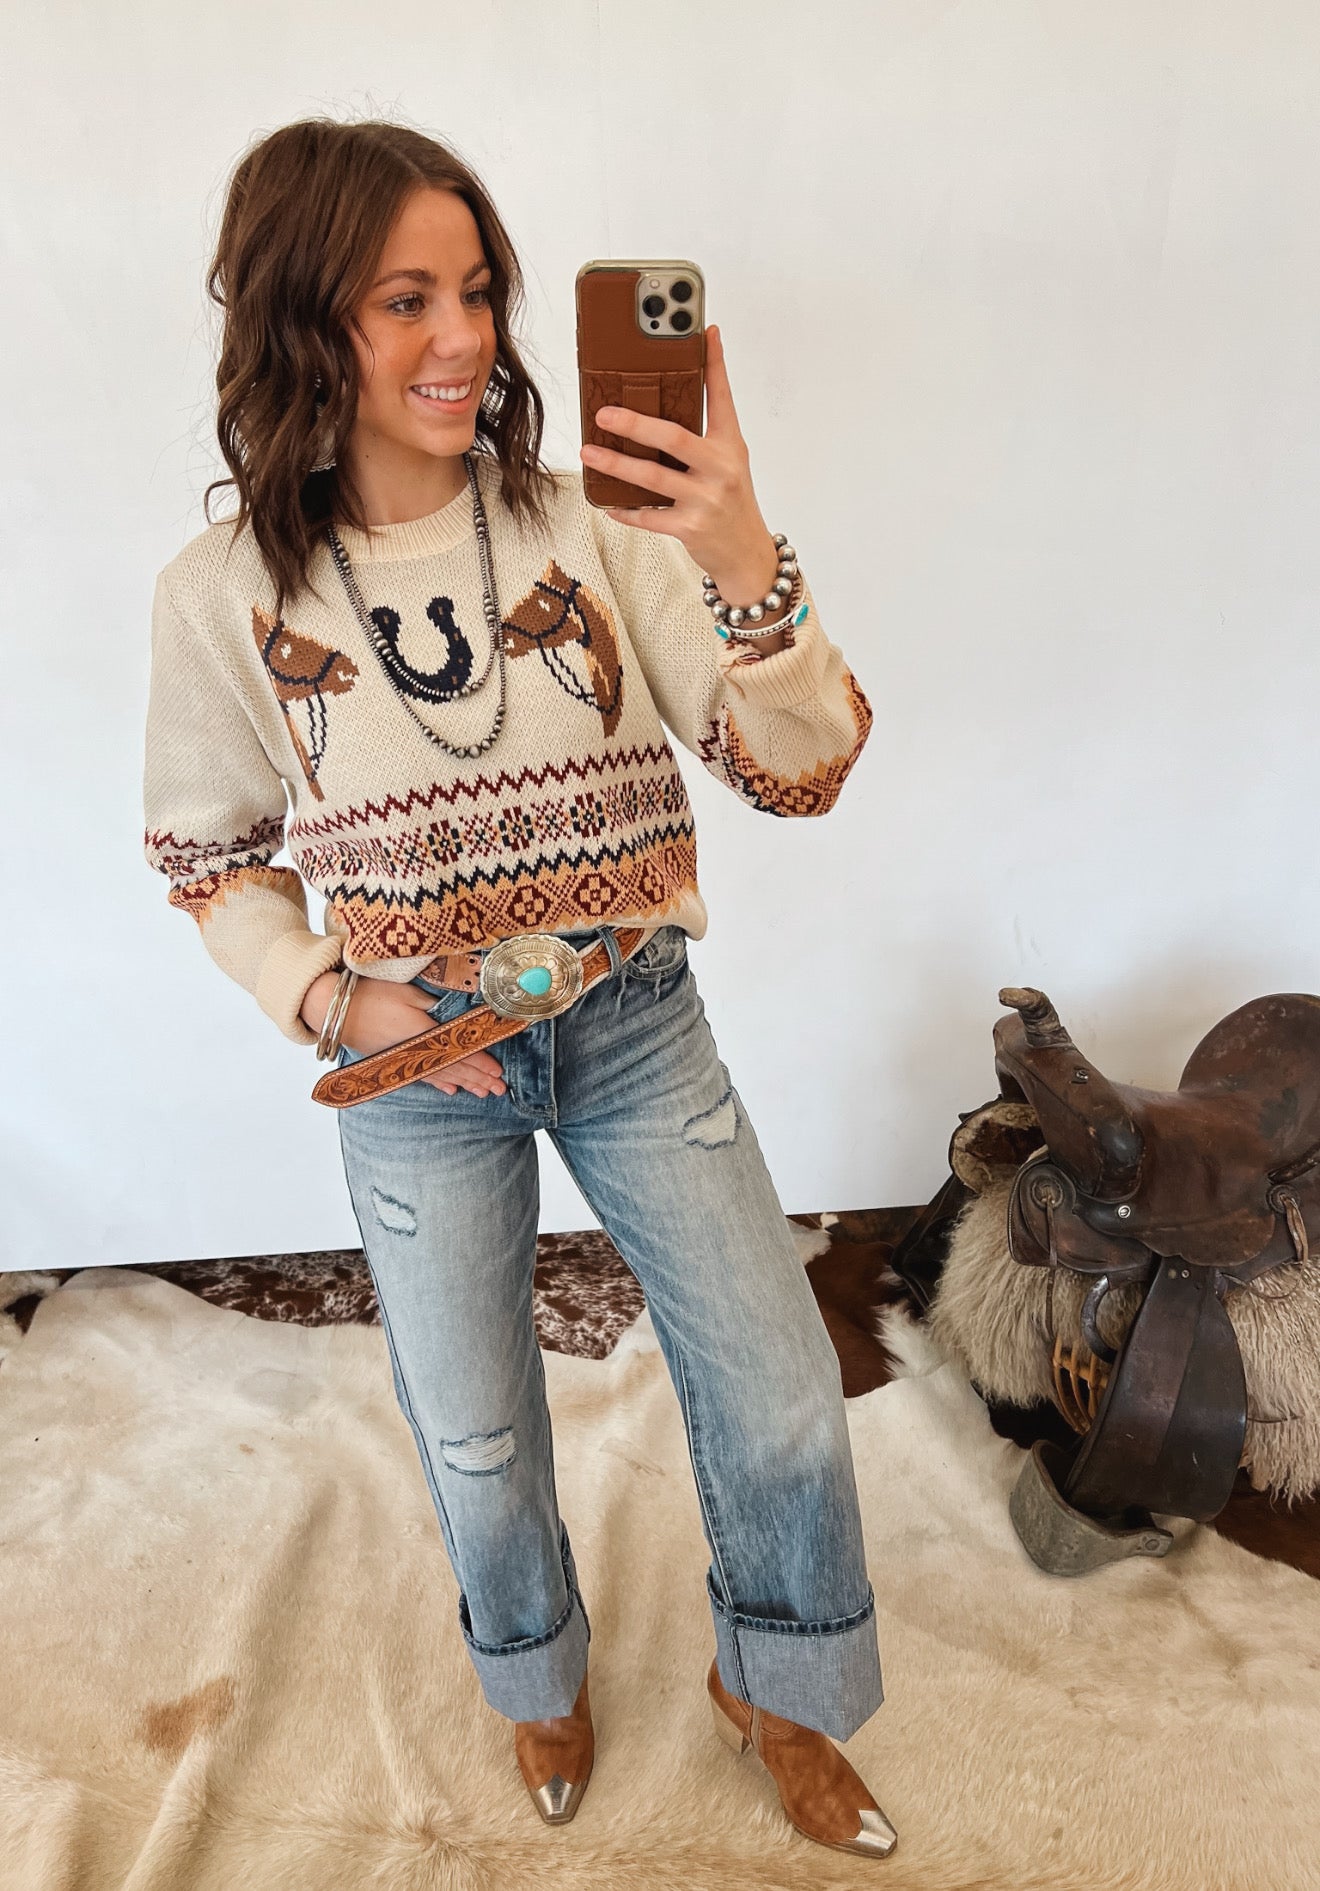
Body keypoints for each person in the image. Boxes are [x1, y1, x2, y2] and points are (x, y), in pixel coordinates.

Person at [142, 116, 896, 1859]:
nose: (465, 337)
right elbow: (203, 855)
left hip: (634, 1026)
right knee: (477, 1438)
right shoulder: (222, 598)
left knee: (782, 1395)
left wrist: (742, 556)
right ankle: (537, 1675)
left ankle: (781, 1690)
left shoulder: (592, 526)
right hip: (421, 1076)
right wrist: (329, 998)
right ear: (301, 322)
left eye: (477, 290)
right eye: (404, 299)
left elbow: (798, 770)